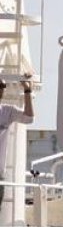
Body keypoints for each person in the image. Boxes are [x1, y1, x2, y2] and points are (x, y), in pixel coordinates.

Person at [0, 77, 33, 205]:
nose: (1, 90)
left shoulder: (7, 111)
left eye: (3, 87)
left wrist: (27, 91)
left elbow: (29, 118)